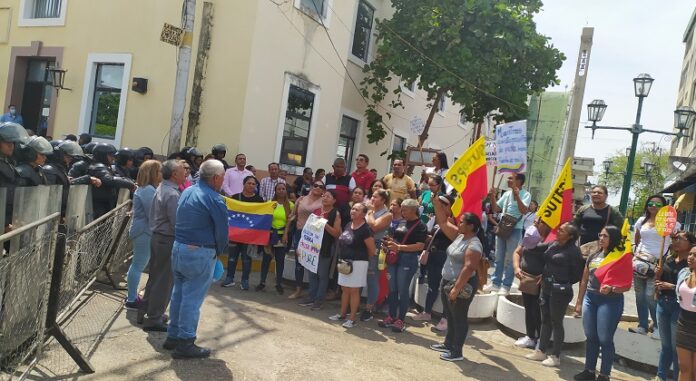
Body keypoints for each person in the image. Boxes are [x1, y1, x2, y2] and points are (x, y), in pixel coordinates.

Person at [167, 159, 228, 359]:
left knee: (178, 294)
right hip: (199, 252)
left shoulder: (187, 191)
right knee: (191, 299)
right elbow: (222, 231)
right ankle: (185, 341)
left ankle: (173, 336)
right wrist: (219, 251)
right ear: (216, 178)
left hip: (179, 248)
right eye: (223, 177)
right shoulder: (214, 199)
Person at [428, 195, 486, 362]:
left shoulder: (474, 244)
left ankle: (456, 352)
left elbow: (469, 268)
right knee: (451, 316)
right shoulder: (461, 236)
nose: (458, 223)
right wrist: (437, 204)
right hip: (448, 282)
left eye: (462, 222)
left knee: (459, 318)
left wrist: (456, 288)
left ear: (471, 226)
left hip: (461, 285)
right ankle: (448, 344)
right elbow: (444, 223)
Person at [574, 226, 632, 381]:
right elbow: (584, 280)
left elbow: (626, 285)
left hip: (610, 301)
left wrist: (613, 288)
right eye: (600, 235)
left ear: (613, 238)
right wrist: (579, 302)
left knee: (605, 339)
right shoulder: (593, 255)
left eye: (605, 236)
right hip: (590, 299)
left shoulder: (620, 257)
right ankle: (589, 371)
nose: (601, 238)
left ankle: (605, 375)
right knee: (591, 336)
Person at [525, 223, 583, 367]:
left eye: (562, 230)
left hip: (560, 292)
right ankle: (541, 351)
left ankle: (556, 356)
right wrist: (534, 232)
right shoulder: (553, 244)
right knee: (545, 320)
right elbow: (534, 248)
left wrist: (562, 281)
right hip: (546, 288)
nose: (558, 231)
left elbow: (577, 274)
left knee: (556, 322)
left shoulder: (574, 251)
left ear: (570, 236)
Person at [138, 160, 185, 331]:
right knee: (164, 281)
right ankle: (154, 317)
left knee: (155, 277)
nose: (185, 174)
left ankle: (146, 311)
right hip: (167, 238)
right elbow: (177, 222)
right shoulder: (172, 194)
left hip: (158, 237)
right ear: (174, 174)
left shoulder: (162, 188)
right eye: (182, 171)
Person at [631, 195, 680, 338]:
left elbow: (675, 242)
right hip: (639, 264)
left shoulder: (672, 223)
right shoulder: (641, 221)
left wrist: (667, 260)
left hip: (657, 265)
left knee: (650, 296)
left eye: (658, 204)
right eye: (651, 203)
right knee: (639, 296)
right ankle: (642, 325)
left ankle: (658, 326)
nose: (653, 206)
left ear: (664, 207)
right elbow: (637, 238)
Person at [378, 199, 427, 332]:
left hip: (408, 259)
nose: (401, 211)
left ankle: (401, 319)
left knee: (403, 290)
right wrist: (389, 242)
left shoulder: (421, 225)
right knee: (392, 289)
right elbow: (396, 238)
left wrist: (398, 247)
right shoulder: (402, 221)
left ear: (413, 210)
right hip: (395, 258)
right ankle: (391, 316)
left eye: (404, 209)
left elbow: (420, 246)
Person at [654, 231, 696, 381]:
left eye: (679, 238)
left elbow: (686, 290)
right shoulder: (668, 259)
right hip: (663, 304)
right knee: (665, 346)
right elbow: (659, 281)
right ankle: (660, 376)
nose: (675, 241)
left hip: (680, 308)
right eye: (673, 238)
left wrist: (670, 286)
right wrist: (657, 275)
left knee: (676, 349)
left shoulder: (690, 267)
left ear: (691, 244)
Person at [329, 203, 376, 328]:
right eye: (352, 208)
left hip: (359, 263)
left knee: (354, 291)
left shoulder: (366, 229)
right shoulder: (348, 225)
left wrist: (363, 261)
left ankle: (352, 318)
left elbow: (371, 250)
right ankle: (342, 314)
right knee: (344, 289)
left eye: (357, 209)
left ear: (363, 214)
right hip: (345, 262)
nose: (353, 211)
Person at [484, 173, 531, 295]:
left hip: (515, 229)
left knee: (511, 258)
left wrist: (517, 196)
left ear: (519, 181)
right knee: (499, 257)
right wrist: (493, 196)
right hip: (502, 227)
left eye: (511, 178)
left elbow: (524, 210)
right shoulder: (506, 194)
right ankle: (495, 283)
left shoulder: (526, 194)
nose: (508, 180)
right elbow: (495, 209)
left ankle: (506, 285)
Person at [412, 194, 455, 324]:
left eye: (444, 204)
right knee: (432, 285)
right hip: (433, 255)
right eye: (439, 203)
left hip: (445, 257)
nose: (440, 206)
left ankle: (445, 318)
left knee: (445, 288)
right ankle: (427, 312)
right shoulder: (437, 219)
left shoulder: (452, 222)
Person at [125, 160, 161, 310]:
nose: (161, 174)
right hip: (144, 232)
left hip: (144, 231)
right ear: (152, 173)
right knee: (138, 265)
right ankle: (132, 299)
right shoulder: (147, 190)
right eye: (159, 171)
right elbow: (153, 213)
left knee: (138, 264)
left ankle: (132, 296)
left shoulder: (148, 189)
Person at [512, 219, 552, 350]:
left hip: (542, 282)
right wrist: (517, 268)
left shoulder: (551, 241)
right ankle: (530, 337)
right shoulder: (529, 236)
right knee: (529, 308)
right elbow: (517, 252)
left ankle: (541, 340)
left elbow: (554, 261)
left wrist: (546, 273)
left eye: (538, 221)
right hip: (527, 279)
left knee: (540, 311)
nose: (534, 223)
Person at [299, 189, 342, 309]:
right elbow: (308, 229)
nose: (325, 198)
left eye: (328, 196)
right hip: (312, 247)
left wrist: (324, 223)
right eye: (324, 196)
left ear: (334, 200)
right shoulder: (316, 211)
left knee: (322, 275)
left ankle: (319, 300)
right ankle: (311, 296)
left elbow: (336, 233)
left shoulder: (336, 213)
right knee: (312, 273)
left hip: (326, 247)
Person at [222, 175, 264, 290]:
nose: (251, 185)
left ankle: (244, 281)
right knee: (232, 257)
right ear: (244, 184)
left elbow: (262, 216)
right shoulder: (235, 197)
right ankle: (229, 278)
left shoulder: (259, 200)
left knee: (247, 259)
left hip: (250, 236)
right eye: (249, 183)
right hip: (235, 235)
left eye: (253, 184)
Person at [286, 180, 325, 299]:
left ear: (323, 190)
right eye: (315, 185)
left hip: (314, 236)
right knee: (299, 261)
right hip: (299, 232)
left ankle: (313, 292)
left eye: (320, 186)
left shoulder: (323, 201)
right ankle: (298, 289)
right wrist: (286, 232)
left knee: (312, 262)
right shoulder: (301, 199)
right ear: (312, 186)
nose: (317, 187)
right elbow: (292, 216)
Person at [258, 182, 293, 294]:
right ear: (275, 191)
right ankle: (262, 282)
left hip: (282, 235)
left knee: (280, 260)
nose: (281, 191)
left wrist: (285, 234)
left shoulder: (290, 205)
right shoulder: (270, 204)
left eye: (283, 188)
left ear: (286, 190)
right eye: (279, 189)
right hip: (270, 234)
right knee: (266, 259)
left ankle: (279, 284)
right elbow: (265, 219)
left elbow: (289, 222)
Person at [362, 189, 392, 321]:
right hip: (362, 243)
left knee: (372, 277)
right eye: (371, 196)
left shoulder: (387, 214)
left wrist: (368, 212)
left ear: (383, 200)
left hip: (376, 245)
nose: (372, 199)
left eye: (375, 197)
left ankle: (369, 308)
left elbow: (374, 226)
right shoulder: (371, 211)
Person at [88, 143, 135, 218]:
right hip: (99, 205)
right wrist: (130, 184)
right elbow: (109, 179)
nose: (113, 158)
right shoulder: (98, 167)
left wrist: (127, 180)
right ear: (102, 155)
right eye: (110, 155)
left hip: (105, 203)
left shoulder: (104, 166)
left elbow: (115, 177)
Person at [675, 246, 696, 381]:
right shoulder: (684, 273)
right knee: (684, 368)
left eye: (695, 255)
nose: (691, 257)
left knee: (694, 372)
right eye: (690, 254)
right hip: (683, 324)